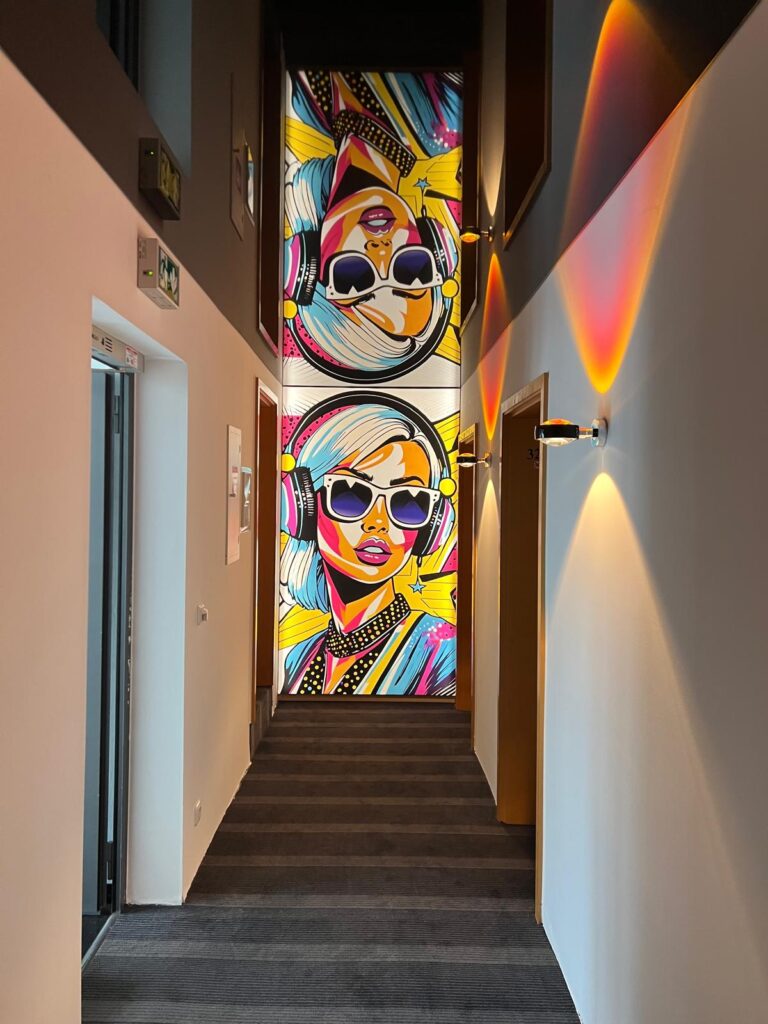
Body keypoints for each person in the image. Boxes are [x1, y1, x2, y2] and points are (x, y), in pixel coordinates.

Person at [284, 70, 462, 382]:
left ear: (311, 258)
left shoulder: (302, 108)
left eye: (354, 277)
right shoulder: (444, 119)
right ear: (431, 241)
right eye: (410, 269)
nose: (380, 250)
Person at [280, 398, 456, 696]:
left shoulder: (440, 649)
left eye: (408, 502)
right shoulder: (299, 657)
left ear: (430, 527)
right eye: (351, 494)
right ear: (305, 508)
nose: (378, 523)